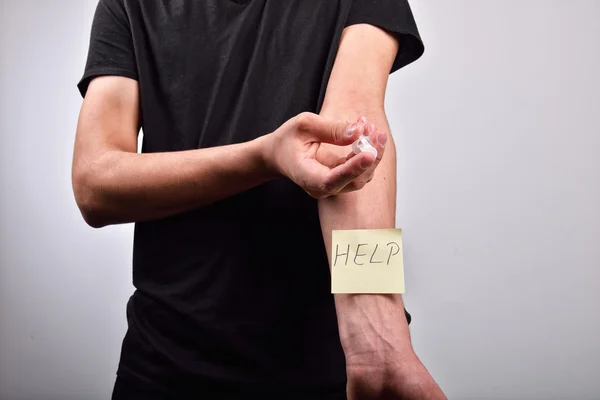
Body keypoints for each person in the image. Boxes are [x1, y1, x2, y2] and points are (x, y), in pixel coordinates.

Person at [73, 0, 446, 399]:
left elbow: (353, 140)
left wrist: (378, 336)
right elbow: (95, 184)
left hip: (329, 370)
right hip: (167, 366)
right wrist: (264, 157)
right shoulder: (131, 6)